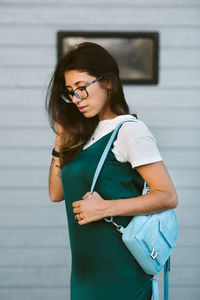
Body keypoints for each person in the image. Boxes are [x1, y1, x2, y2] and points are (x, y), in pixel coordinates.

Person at [45, 42, 178, 300]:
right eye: (70, 92)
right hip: (85, 275)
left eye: (82, 88)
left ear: (107, 82)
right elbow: (56, 192)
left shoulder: (129, 130)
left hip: (120, 276)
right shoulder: (86, 134)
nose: (76, 99)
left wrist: (106, 208)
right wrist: (60, 142)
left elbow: (167, 196)